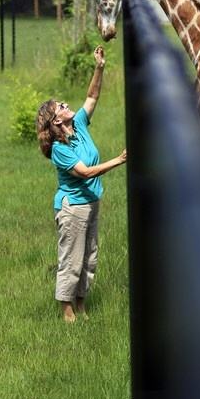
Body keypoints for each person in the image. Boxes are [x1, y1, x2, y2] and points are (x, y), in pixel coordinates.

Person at [35, 46, 127, 323]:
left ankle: (81, 304)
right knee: (72, 260)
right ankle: (66, 311)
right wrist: (120, 160)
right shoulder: (59, 149)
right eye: (61, 106)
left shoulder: (80, 125)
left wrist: (99, 67)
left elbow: (92, 95)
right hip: (73, 208)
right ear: (56, 121)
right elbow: (85, 173)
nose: (66, 105)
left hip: (91, 203)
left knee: (89, 258)